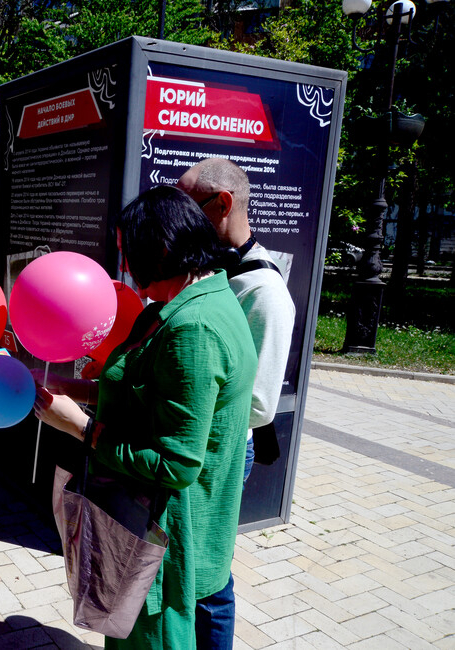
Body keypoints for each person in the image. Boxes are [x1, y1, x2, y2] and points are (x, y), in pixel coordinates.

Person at [33, 185, 257, 649]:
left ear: (162, 249)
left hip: (159, 537)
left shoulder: (192, 328)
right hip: (144, 522)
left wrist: (79, 426)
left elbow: (175, 466)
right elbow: (139, 389)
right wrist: (66, 387)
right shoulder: (188, 302)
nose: (124, 265)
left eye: (129, 252)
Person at [178, 158, 296, 650]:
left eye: (186, 207)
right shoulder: (206, 267)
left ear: (221, 204)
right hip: (188, 441)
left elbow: (260, 405)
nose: (177, 218)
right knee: (185, 562)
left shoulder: (263, 290)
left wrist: (177, 406)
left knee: (208, 572)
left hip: (221, 449)